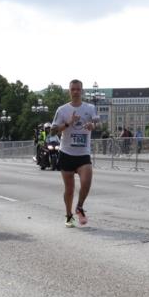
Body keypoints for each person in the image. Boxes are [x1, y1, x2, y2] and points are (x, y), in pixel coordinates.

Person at [51, 79, 97, 227]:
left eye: (78, 89)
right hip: (66, 153)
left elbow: (99, 123)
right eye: (73, 89)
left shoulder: (90, 108)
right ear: (69, 91)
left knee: (86, 182)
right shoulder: (62, 110)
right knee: (69, 189)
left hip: (83, 153)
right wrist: (68, 123)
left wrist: (93, 125)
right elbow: (52, 130)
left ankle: (79, 207)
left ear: (82, 91)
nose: (76, 92)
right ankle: (69, 215)